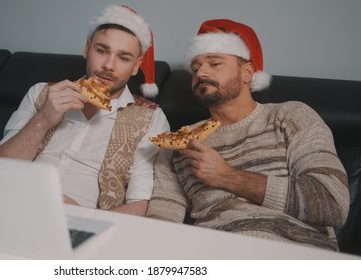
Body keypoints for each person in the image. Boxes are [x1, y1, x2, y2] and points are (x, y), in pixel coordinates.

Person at [0, 4, 170, 216]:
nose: (108, 65)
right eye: (101, 50)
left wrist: (83, 216)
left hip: (72, 217)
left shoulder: (150, 117)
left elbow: (139, 204)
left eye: (123, 58)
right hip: (3, 193)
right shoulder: (42, 92)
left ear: (136, 65)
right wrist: (43, 120)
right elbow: (0, 166)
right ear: (87, 48)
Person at [146, 19, 350, 251]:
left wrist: (226, 176)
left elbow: (332, 204)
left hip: (293, 254)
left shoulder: (291, 116)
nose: (201, 72)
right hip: (211, 255)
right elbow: (162, 220)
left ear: (247, 72)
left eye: (214, 63)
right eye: (195, 68)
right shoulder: (177, 143)